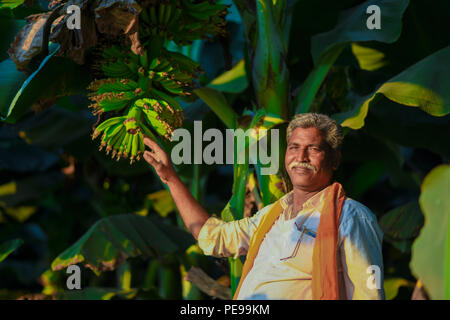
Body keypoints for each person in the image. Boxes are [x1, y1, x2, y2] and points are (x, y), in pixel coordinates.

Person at [142, 113, 385, 300]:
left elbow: (370, 293)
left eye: (314, 149)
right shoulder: (272, 215)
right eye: (294, 147)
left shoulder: (351, 216)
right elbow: (213, 239)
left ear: (334, 159)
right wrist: (170, 177)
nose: (301, 157)